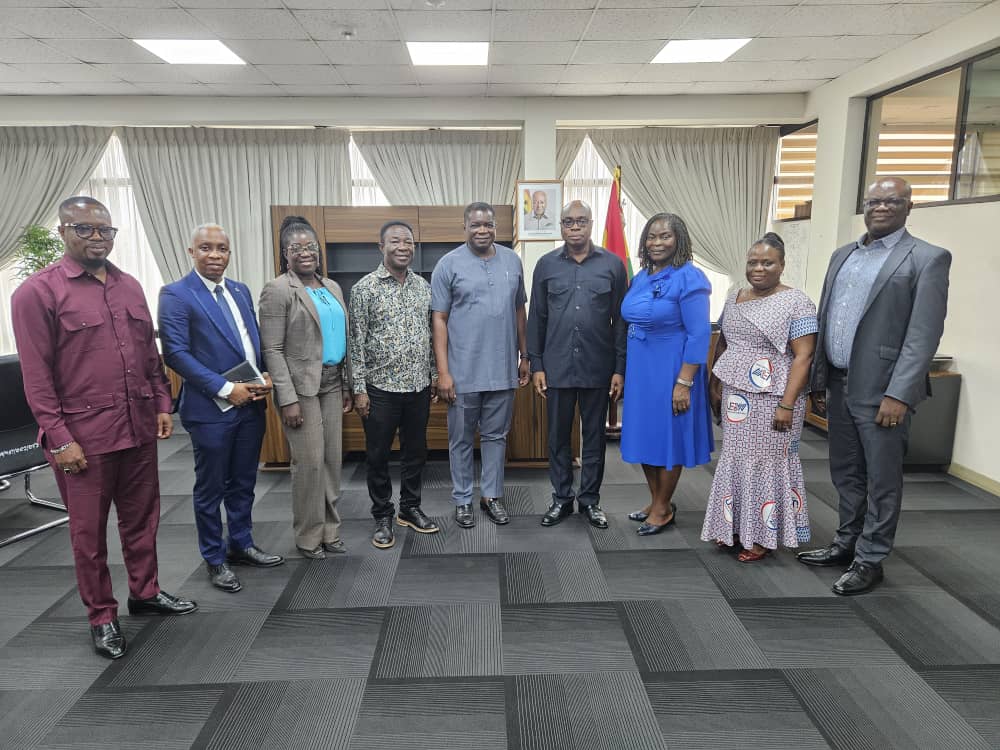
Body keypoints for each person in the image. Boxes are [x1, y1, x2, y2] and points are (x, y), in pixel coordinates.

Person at [11, 196, 197, 660]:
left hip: (136, 427)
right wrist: (60, 439)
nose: (97, 237)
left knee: (142, 519)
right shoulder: (37, 293)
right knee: (88, 534)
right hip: (83, 437)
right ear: (63, 232)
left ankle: (146, 592)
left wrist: (161, 403)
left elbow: (148, 358)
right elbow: (36, 379)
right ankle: (101, 615)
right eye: (85, 228)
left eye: (105, 230)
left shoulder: (130, 286)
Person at [797, 177, 951, 595]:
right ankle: (847, 542)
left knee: (882, 479)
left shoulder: (927, 258)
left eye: (892, 201)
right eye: (874, 201)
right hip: (839, 384)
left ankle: (871, 558)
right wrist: (819, 380)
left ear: (909, 207)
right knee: (846, 472)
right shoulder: (843, 255)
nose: (881, 207)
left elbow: (923, 335)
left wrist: (899, 393)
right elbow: (827, 319)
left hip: (884, 392)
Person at [158, 223, 284, 594]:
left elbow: (249, 340)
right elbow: (176, 354)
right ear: (191, 252)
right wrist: (227, 389)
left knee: (244, 481)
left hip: (251, 403)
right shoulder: (176, 294)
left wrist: (263, 373)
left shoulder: (241, 291)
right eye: (207, 248)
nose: (216, 255)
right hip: (211, 408)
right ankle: (214, 558)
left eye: (223, 249)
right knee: (211, 487)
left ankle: (241, 543)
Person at [701, 233, 818, 561]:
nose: (759, 268)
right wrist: (715, 381)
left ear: (782, 265)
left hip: (775, 397)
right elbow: (724, 342)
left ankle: (763, 537)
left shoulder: (797, 302)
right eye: (753, 262)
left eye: (767, 262)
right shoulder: (735, 297)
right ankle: (734, 527)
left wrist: (787, 404)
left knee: (766, 464)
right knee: (736, 459)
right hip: (737, 396)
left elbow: (804, 357)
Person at [527, 200, 627, 529]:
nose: (574, 227)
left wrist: (619, 368)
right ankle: (561, 499)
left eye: (580, 221)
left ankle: (589, 501)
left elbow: (621, 322)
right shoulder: (545, 265)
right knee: (557, 438)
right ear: (560, 226)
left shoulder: (613, 265)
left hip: (598, 367)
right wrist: (537, 363)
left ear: (591, 223)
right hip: (556, 367)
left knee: (594, 437)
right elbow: (536, 317)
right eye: (568, 221)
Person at [259, 216, 353, 559]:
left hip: (331, 383)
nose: (304, 252)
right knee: (309, 463)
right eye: (295, 247)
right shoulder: (278, 289)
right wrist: (287, 399)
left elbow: (338, 338)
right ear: (285, 254)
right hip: (300, 390)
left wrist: (344, 383)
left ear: (319, 251)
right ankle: (308, 536)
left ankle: (330, 529)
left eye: (310, 246)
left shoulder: (331, 287)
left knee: (331, 461)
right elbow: (272, 349)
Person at [431, 202, 530, 529]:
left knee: (496, 437)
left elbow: (519, 312)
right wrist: (443, 372)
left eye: (488, 224)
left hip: (502, 370)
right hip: (462, 373)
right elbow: (440, 320)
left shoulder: (512, 261)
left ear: (496, 227)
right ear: (465, 227)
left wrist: (524, 356)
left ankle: (491, 496)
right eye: (475, 225)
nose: (482, 230)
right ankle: (462, 500)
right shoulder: (448, 265)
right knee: (460, 440)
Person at [620, 212, 714, 535]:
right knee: (646, 435)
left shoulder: (690, 278)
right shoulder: (643, 276)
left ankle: (662, 508)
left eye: (665, 236)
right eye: (651, 237)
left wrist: (684, 383)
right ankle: (657, 500)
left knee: (669, 436)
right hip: (641, 368)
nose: (657, 242)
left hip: (673, 369)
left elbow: (699, 334)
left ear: (679, 240)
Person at [349, 220, 440, 549]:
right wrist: (358, 389)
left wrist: (432, 374)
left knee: (416, 453)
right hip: (380, 389)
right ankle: (382, 514)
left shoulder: (423, 287)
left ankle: (410, 508)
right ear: (381, 247)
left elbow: (430, 336)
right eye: (396, 241)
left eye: (408, 242)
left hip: (417, 387)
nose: (403, 247)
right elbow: (355, 343)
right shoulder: (364, 289)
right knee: (378, 455)